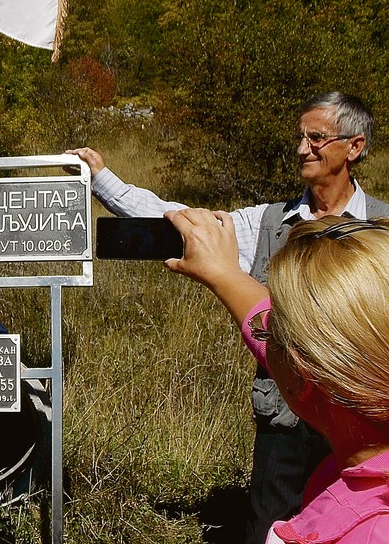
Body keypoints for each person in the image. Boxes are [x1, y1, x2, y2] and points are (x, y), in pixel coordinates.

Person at [68, 92, 389, 542]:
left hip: (369, 428)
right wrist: (103, 179)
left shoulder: (383, 229)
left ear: (353, 147)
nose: (302, 149)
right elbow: (179, 221)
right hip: (284, 417)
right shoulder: (268, 222)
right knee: (270, 526)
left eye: (316, 138)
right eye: (300, 137)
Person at [164, 208, 389, 543]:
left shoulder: (362, 532)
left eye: (274, 333)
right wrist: (224, 274)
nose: (265, 331)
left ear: (301, 375)